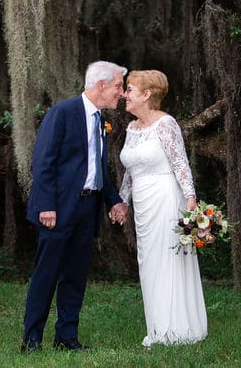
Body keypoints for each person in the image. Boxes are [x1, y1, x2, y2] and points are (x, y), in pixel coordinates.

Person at [21, 61, 130, 353]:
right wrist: (46, 205)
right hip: (56, 209)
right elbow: (43, 161)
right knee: (47, 274)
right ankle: (31, 339)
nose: (121, 93)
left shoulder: (100, 121)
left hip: (87, 209)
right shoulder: (63, 112)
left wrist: (114, 200)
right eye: (119, 86)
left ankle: (66, 337)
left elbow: (97, 170)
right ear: (101, 85)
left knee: (75, 276)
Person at [119, 69, 207, 346]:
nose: (124, 95)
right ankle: (157, 329)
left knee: (170, 260)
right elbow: (130, 171)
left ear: (146, 95)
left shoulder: (166, 124)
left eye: (130, 90)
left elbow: (180, 162)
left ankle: (179, 330)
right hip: (143, 202)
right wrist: (123, 201)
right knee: (149, 262)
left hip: (167, 197)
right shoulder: (132, 129)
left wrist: (190, 198)